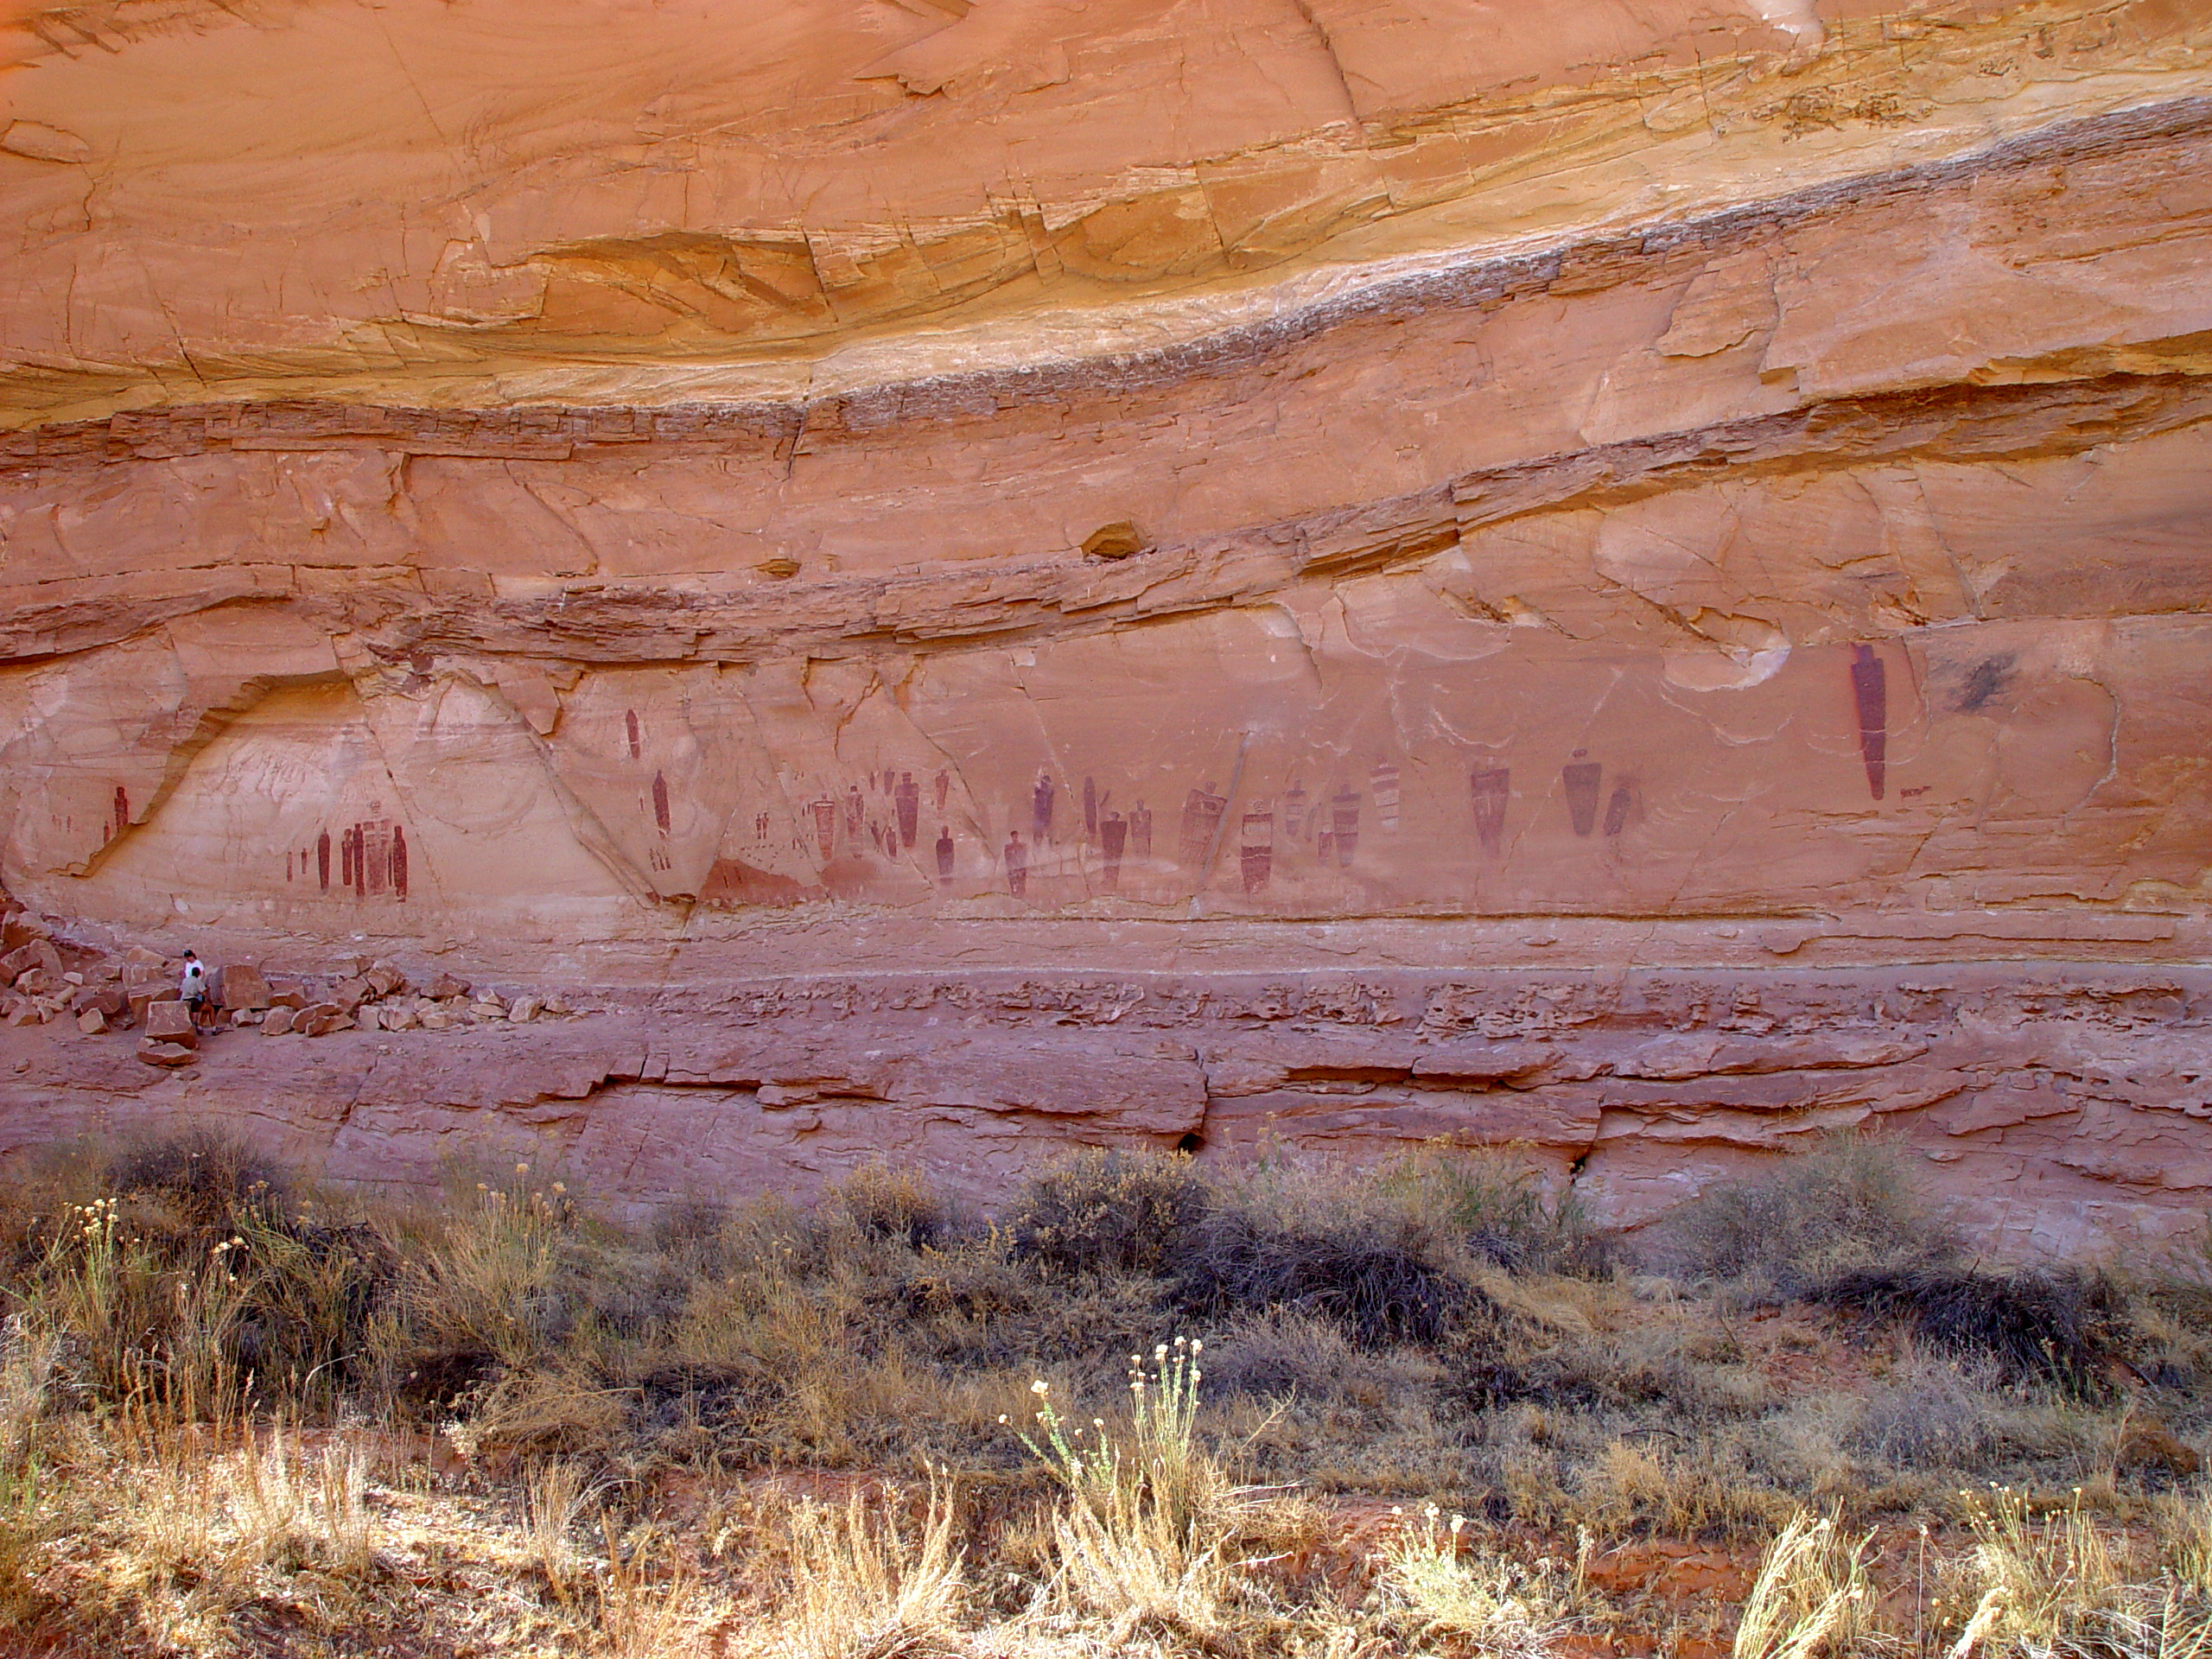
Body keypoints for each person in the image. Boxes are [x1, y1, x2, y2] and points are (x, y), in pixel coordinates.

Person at [179, 949, 209, 1027]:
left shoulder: (198, 963)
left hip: (196, 985)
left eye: (189, 957)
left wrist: (198, 984)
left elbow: (202, 974)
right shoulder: (187, 964)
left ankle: (197, 1022)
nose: (188, 959)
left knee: (198, 1005)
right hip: (189, 984)